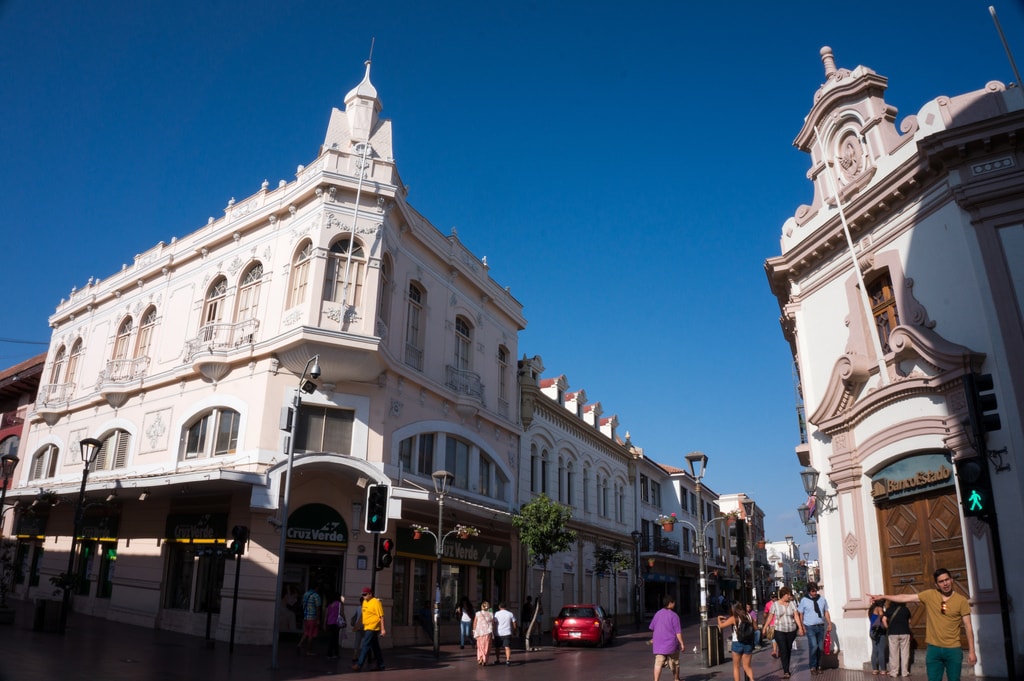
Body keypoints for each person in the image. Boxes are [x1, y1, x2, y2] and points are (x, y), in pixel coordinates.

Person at [869, 567, 977, 681]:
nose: (945, 583)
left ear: (951, 580)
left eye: (947, 580)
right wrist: (883, 596)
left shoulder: (961, 601)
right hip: (933, 650)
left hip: (953, 649)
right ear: (936, 585)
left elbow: (968, 627)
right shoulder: (930, 595)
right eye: (941, 581)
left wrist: (972, 651)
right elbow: (905, 597)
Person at [795, 581, 832, 675]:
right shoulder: (804, 600)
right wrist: (801, 627)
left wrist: (829, 623)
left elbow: (826, 612)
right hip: (810, 626)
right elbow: (801, 613)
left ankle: (819, 666)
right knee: (813, 646)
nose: (814, 593)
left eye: (815, 591)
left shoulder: (822, 600)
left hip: (820, 626)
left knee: (820, 647)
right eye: (812, 591)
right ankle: (812, 666)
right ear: (809, 591)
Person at [649, 595, 685, 681]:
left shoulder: (657, 614)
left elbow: (653, 628)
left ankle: (656, 680)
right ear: (670, 603)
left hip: (659, 644)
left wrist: (654, 638)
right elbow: (678, 632)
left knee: (658, 663)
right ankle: (676, 679)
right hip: (671, 644)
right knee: (675, 662)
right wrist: (682, 643)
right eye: (673, 602)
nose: (674, 604)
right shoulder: (674, 616)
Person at [718, 602, 757, 681]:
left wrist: (718, 619)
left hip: (737, 643)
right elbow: (755, 628)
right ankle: (752, 680)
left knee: (736, 667)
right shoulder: (749, 616)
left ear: (733, 608)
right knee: (747, 666)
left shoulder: (734, 618)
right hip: (748, 643)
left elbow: (721, 626)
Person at [766, 586, 799, 679]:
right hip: (779, 630)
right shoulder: (775, 605)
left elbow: (796, 616)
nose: (789, 596)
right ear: (783, 595)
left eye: (789, 594)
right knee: (783, 649)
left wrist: (800, 627)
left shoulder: (792, 604)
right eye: (788, 594)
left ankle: (786, 667)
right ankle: (786, 671)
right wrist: (765, 627)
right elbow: (770, 616)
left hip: (791, 630)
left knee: (788, 649)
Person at [352, 586, 386, 672]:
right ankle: (381, 665)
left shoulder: (376, 602)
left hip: (373, 627)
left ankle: (359, 665)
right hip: (366, 627)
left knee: (365, 645)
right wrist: (358, 625)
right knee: (375, 647)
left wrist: (382, 629)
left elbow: (381, 616)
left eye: (365, 594)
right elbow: (363, 615)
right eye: (362, 594)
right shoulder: (364, 602)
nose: (363, 596)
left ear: (370, 594)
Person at [884, 596, 912, 677]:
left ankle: (894, 672)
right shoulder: (906, 609)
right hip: (904, 632)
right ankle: (905, 672)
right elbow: (909, 621)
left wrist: (888, 628)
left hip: (893, 633)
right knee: (905, 653)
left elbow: (884, 619)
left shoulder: (889, 609)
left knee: (893, 653)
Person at [297, 584, 323, 656]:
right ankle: (309, 651)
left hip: (306, 617)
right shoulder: (316, 596)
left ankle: (299, 644)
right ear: (316, 588)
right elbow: (318, 609)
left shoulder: (305, 594)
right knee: (311, 634)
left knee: (306, 632)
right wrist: (318, 619)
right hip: (313, 617)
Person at [473, 599, 495, 665]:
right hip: (488, 632)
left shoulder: (478, 613)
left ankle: (480, 658)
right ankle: (484, 659)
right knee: (487, 646)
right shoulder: (491, 614)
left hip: (479, 632)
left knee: (480, 646)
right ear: (488, 607)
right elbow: (493, 622)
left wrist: (474, 631)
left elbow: (474, 623)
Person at [869, 598, 888, 675]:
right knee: (881, 650)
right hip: (880, 631)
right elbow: (882, 616)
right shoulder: (879, 608)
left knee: (874, 650)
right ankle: (883, 669)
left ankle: (875, 669)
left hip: (872, 631)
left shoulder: (871, 609)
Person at [325, 591, 346, 659]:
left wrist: (324, 623)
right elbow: (342, 613)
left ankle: (329, 653)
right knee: (335, 638)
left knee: (331, 638)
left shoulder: (329, 604)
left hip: (330, 622)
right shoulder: (339, 604)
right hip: (336, 623)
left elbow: (326, 615)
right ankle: (335, 653)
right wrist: (345, 620)